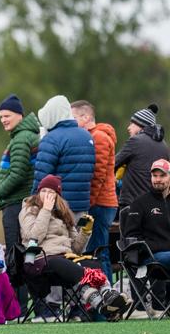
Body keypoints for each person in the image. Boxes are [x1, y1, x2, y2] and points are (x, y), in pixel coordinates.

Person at [19, 174, 131, 321]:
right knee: (71, 267)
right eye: (43, 191)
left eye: (51, 192)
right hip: (41, 258)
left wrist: (85, 231)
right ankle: (106, 300)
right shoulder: (29, 210)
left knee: (94, 264)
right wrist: (45, 210)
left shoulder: (63, 212)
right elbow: (33, 237)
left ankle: (106, 302)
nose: (47, 195)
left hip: (66, 257)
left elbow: (76, 249)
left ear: (57, 196)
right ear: (38, 192)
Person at [70, 100, 118, 282]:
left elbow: (97, 174)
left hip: (100, 202)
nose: (71, 122)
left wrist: (87, 203)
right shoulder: (91, 136)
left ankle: (107, 292)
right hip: (99, 201)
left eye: (74, 117)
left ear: (86, 117)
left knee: (98, 251)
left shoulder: (99, 137)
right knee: (96, 250)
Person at [32, 95, 95, 219]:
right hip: (82, 205)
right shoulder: (87, 136)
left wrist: (33, 202)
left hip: (58, 207)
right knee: (78, 233)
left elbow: (42, 175)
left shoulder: (51, 139)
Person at [123, 159, 170, 318]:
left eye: (162, 176)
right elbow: (131, 237)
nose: (158, 179)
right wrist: (158, 246)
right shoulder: (140, 203)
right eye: (154, 176)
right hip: (149, 256)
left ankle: (164, 305)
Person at [0, 95, 40, 257]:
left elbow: (17, 174)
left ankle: (15, 276)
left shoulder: (21, 138)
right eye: (1, 117)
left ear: (19, 115)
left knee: (14, 253)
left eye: (7, 116)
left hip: (16, 202)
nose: (3, 120)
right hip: (21, 201)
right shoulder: (23, 136)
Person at [115, 104, 169, 211]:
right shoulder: (164, 146)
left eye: (132, 124)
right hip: (156, 205)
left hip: (132, 203)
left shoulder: (135, 141)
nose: (128, 128)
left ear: (141, 125)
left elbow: (113, 163)